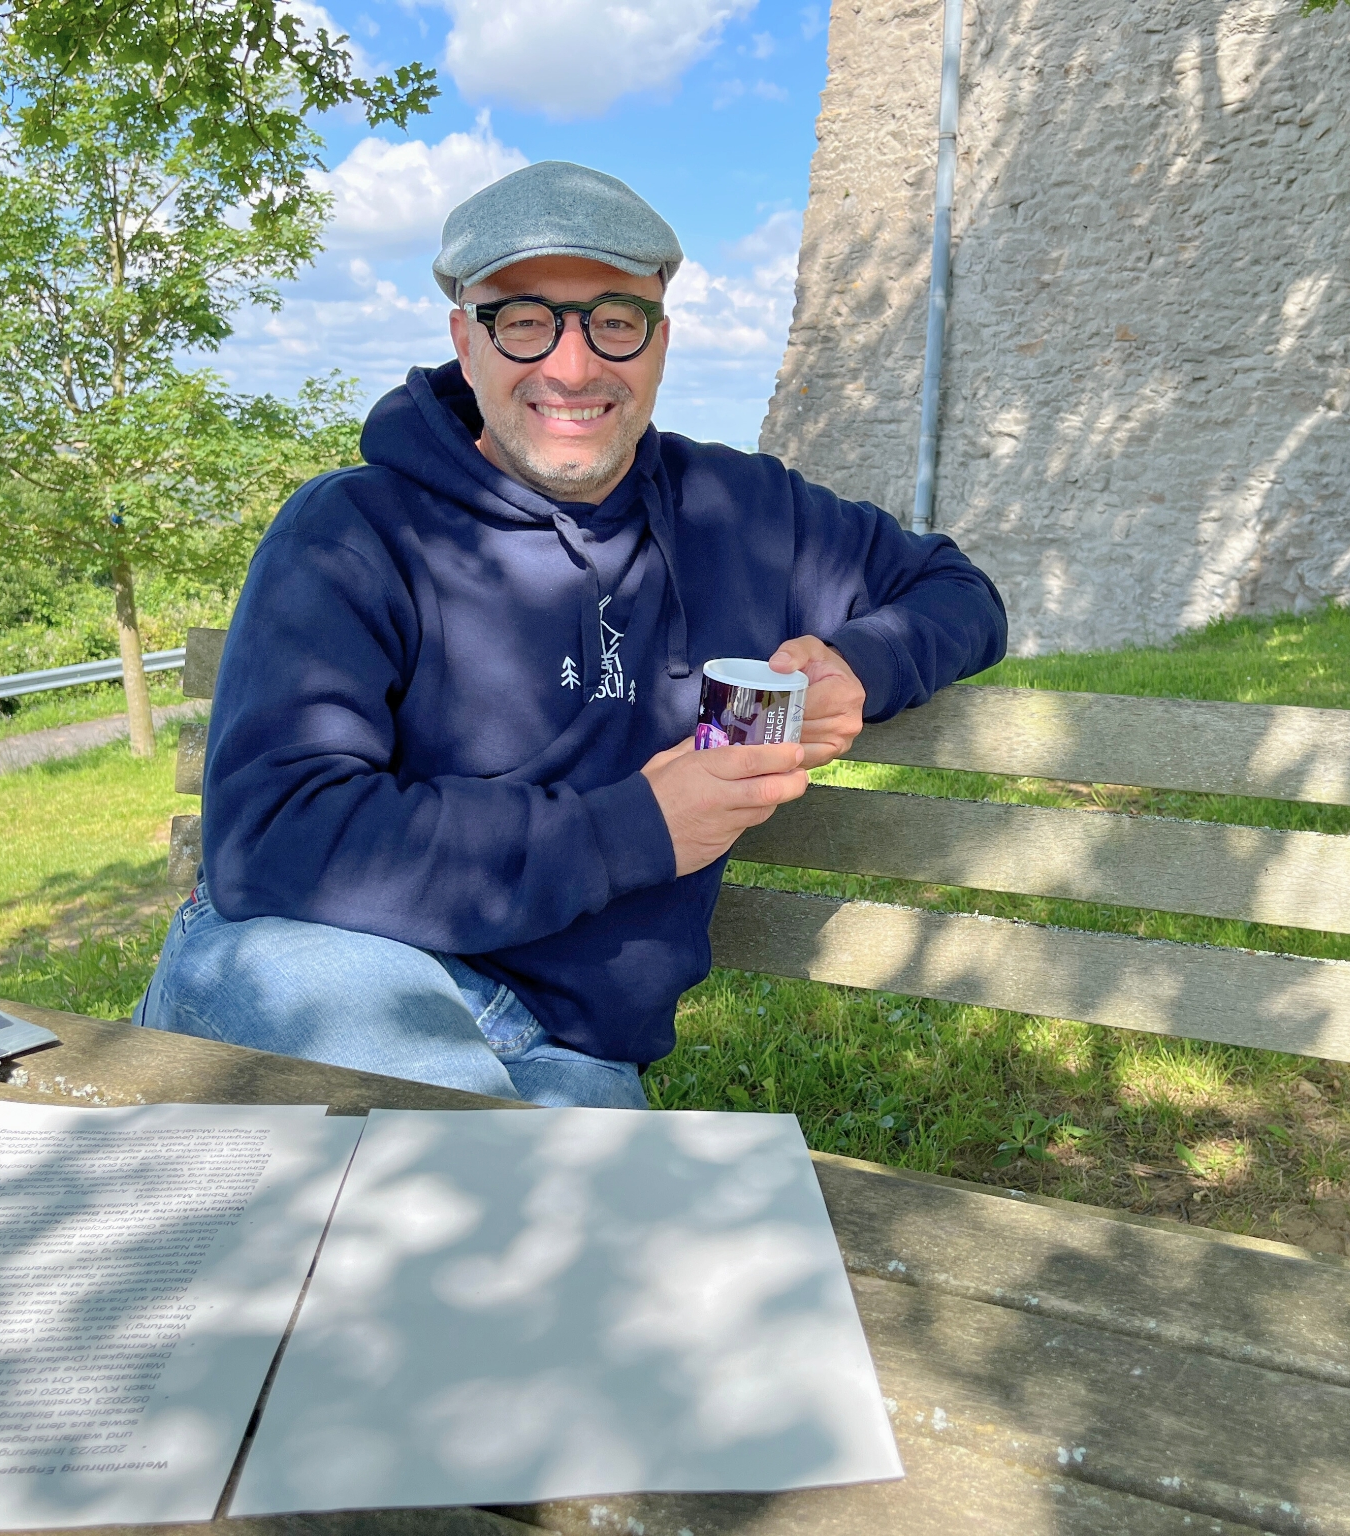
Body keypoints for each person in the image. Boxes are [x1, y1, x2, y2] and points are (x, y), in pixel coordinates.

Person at [133, 161, 1008, 1107]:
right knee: (484, 1177)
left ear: (660, 343)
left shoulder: (745, 511)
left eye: (614, 320)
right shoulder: (354, 532)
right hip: (334, 964)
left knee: (552, 1226)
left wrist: (862, 665)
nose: (573, 366)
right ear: (466, 342)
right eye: (523, 320)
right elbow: (275, 837)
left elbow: (957, 591)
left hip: (567, 1053)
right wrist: (637, 827)